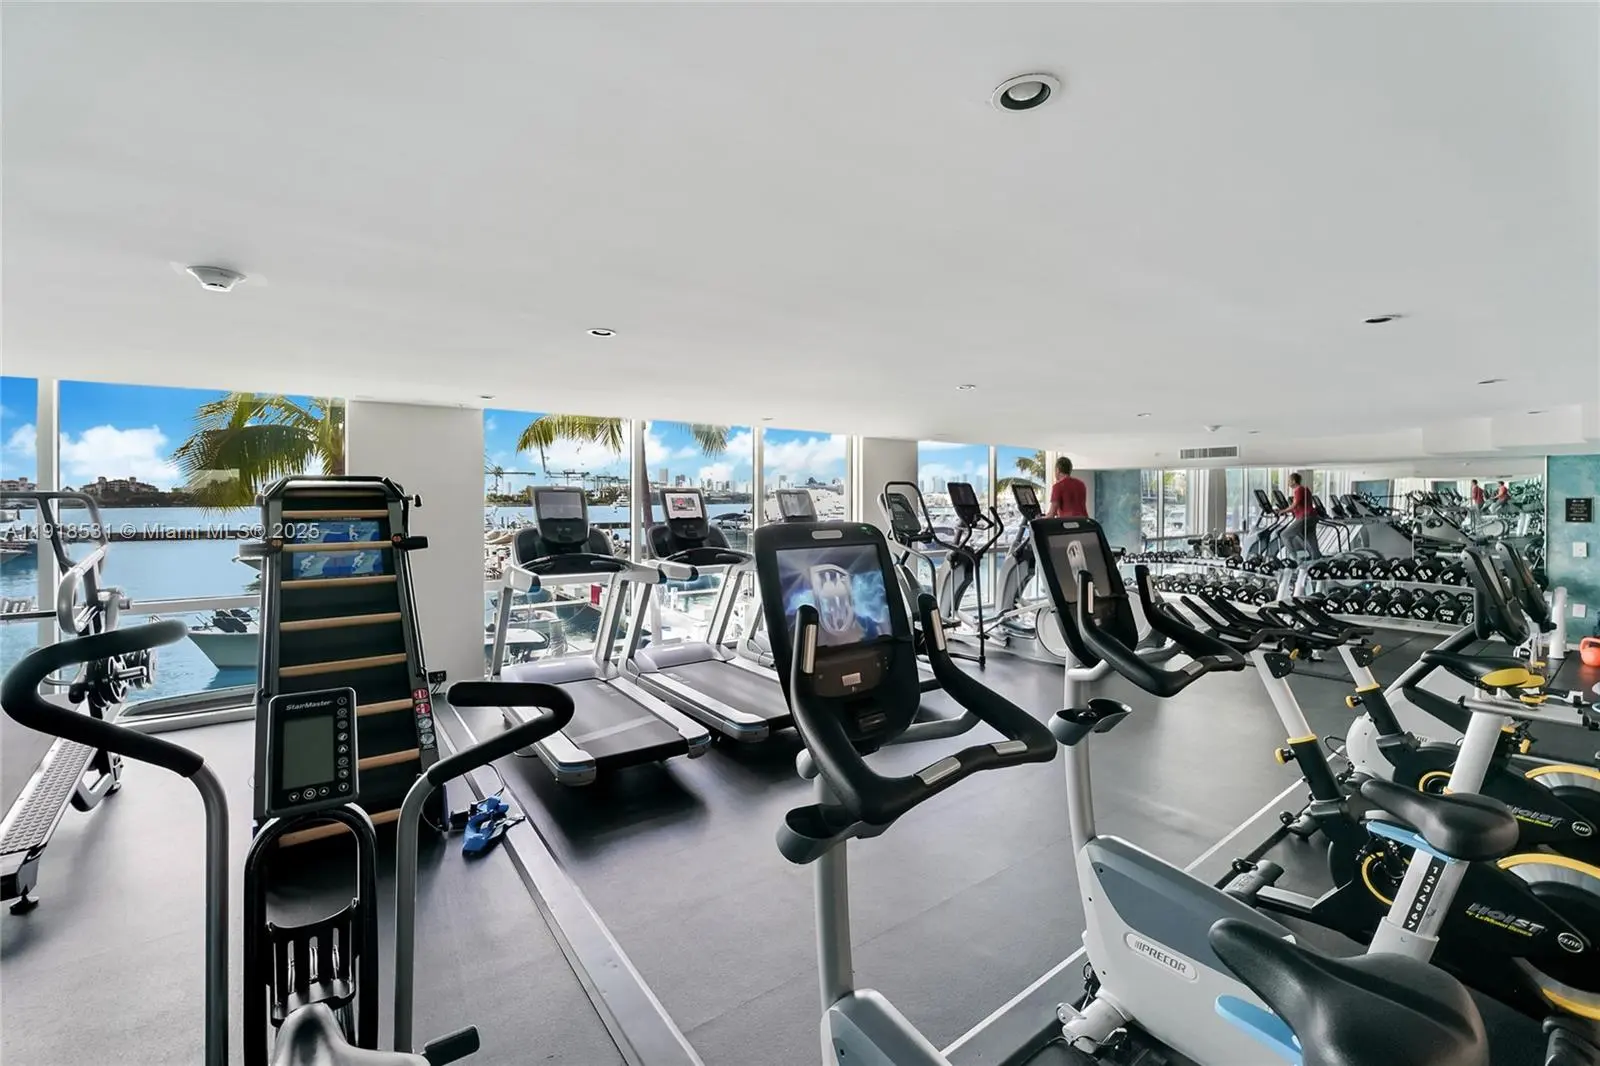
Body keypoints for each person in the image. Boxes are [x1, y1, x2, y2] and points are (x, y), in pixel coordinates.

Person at [1277, 472, 1320, 560]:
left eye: (1289, 481)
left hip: (1305, 517)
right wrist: (1286, 511)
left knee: (1284, 535)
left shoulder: (1298, 490)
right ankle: (1317, 559)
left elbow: (1295, 505)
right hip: (1312, 516)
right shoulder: (1305, 489)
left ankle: (1295, 559)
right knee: (1311, 539)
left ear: (1293, 481)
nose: (1288, 483)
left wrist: (1282, 511)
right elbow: (1300, 505)